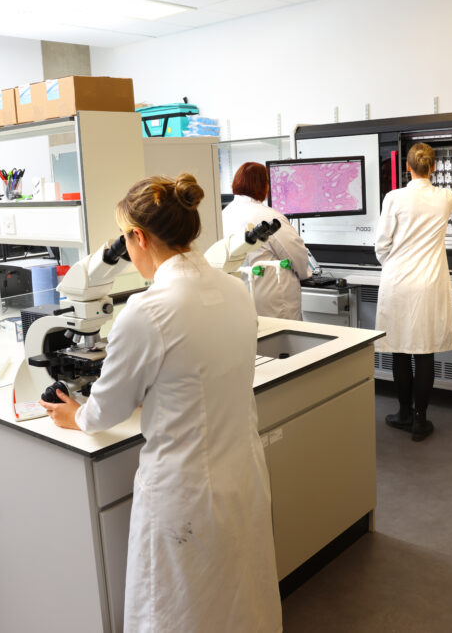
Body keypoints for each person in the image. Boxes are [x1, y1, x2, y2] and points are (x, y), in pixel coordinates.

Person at [42, 174, 282, 633]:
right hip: (242, 475)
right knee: (240, 597)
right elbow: (198, 374)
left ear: (138, 237)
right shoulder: (235, 290)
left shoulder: (148, 309)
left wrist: (75, 415)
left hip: (184, 489)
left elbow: (105, 411)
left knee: (178, 610)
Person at [375, 143, 452, 441]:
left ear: (407, 167)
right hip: (429, 283)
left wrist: (394, 264)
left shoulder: (393, 198)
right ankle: (420, 420)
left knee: (400, 349)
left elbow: (381, 245)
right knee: (425, 351)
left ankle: (403, 413)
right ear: (434, 167)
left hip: (398, 283)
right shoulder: (444, 197)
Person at [220, 161, 311, 319]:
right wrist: (306, 274)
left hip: (240, 303)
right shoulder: (270, 217)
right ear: (264, 186)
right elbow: (297, 256)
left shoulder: (224, 214)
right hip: (274, 305)